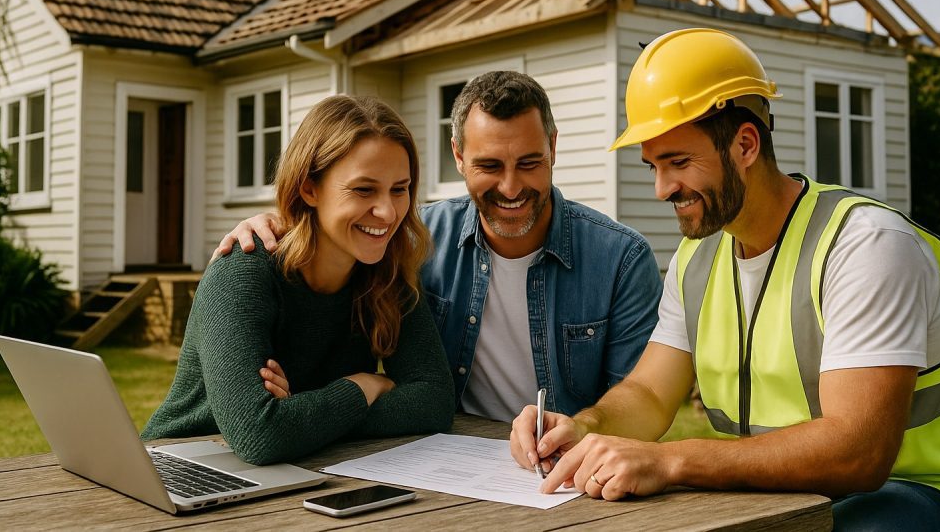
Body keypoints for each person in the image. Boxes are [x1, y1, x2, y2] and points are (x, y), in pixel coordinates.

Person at [509, 28, 940, 530]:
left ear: (744, 144)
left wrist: (672, 460)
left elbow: (859, 453)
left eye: (678, 162)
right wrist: (584, 427)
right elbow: (650, 394)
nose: (661, 188)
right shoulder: (696, 260)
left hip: (916, 502)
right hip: (784, 496)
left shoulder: (866, 245)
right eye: (653, 165)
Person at [216, 71, 662, 422]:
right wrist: (287, 221)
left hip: (567, 463)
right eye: (489, 165)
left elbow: (641, 400)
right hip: (448, 457)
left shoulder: (620, 259)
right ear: (458, 156)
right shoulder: (410, 241)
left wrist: (580, 427)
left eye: (530, 163)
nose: (511, 187)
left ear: (554, 148)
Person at [142, 95, 454, 465]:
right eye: (363, 189)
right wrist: (364, 386)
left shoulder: (389, 272)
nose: (387, 211)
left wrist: (303, 416)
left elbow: (434, 402)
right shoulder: (242, 270)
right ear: (309, 188)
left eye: (399, 189)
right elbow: (260, 435)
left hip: (302, 467)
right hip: (178, 463)